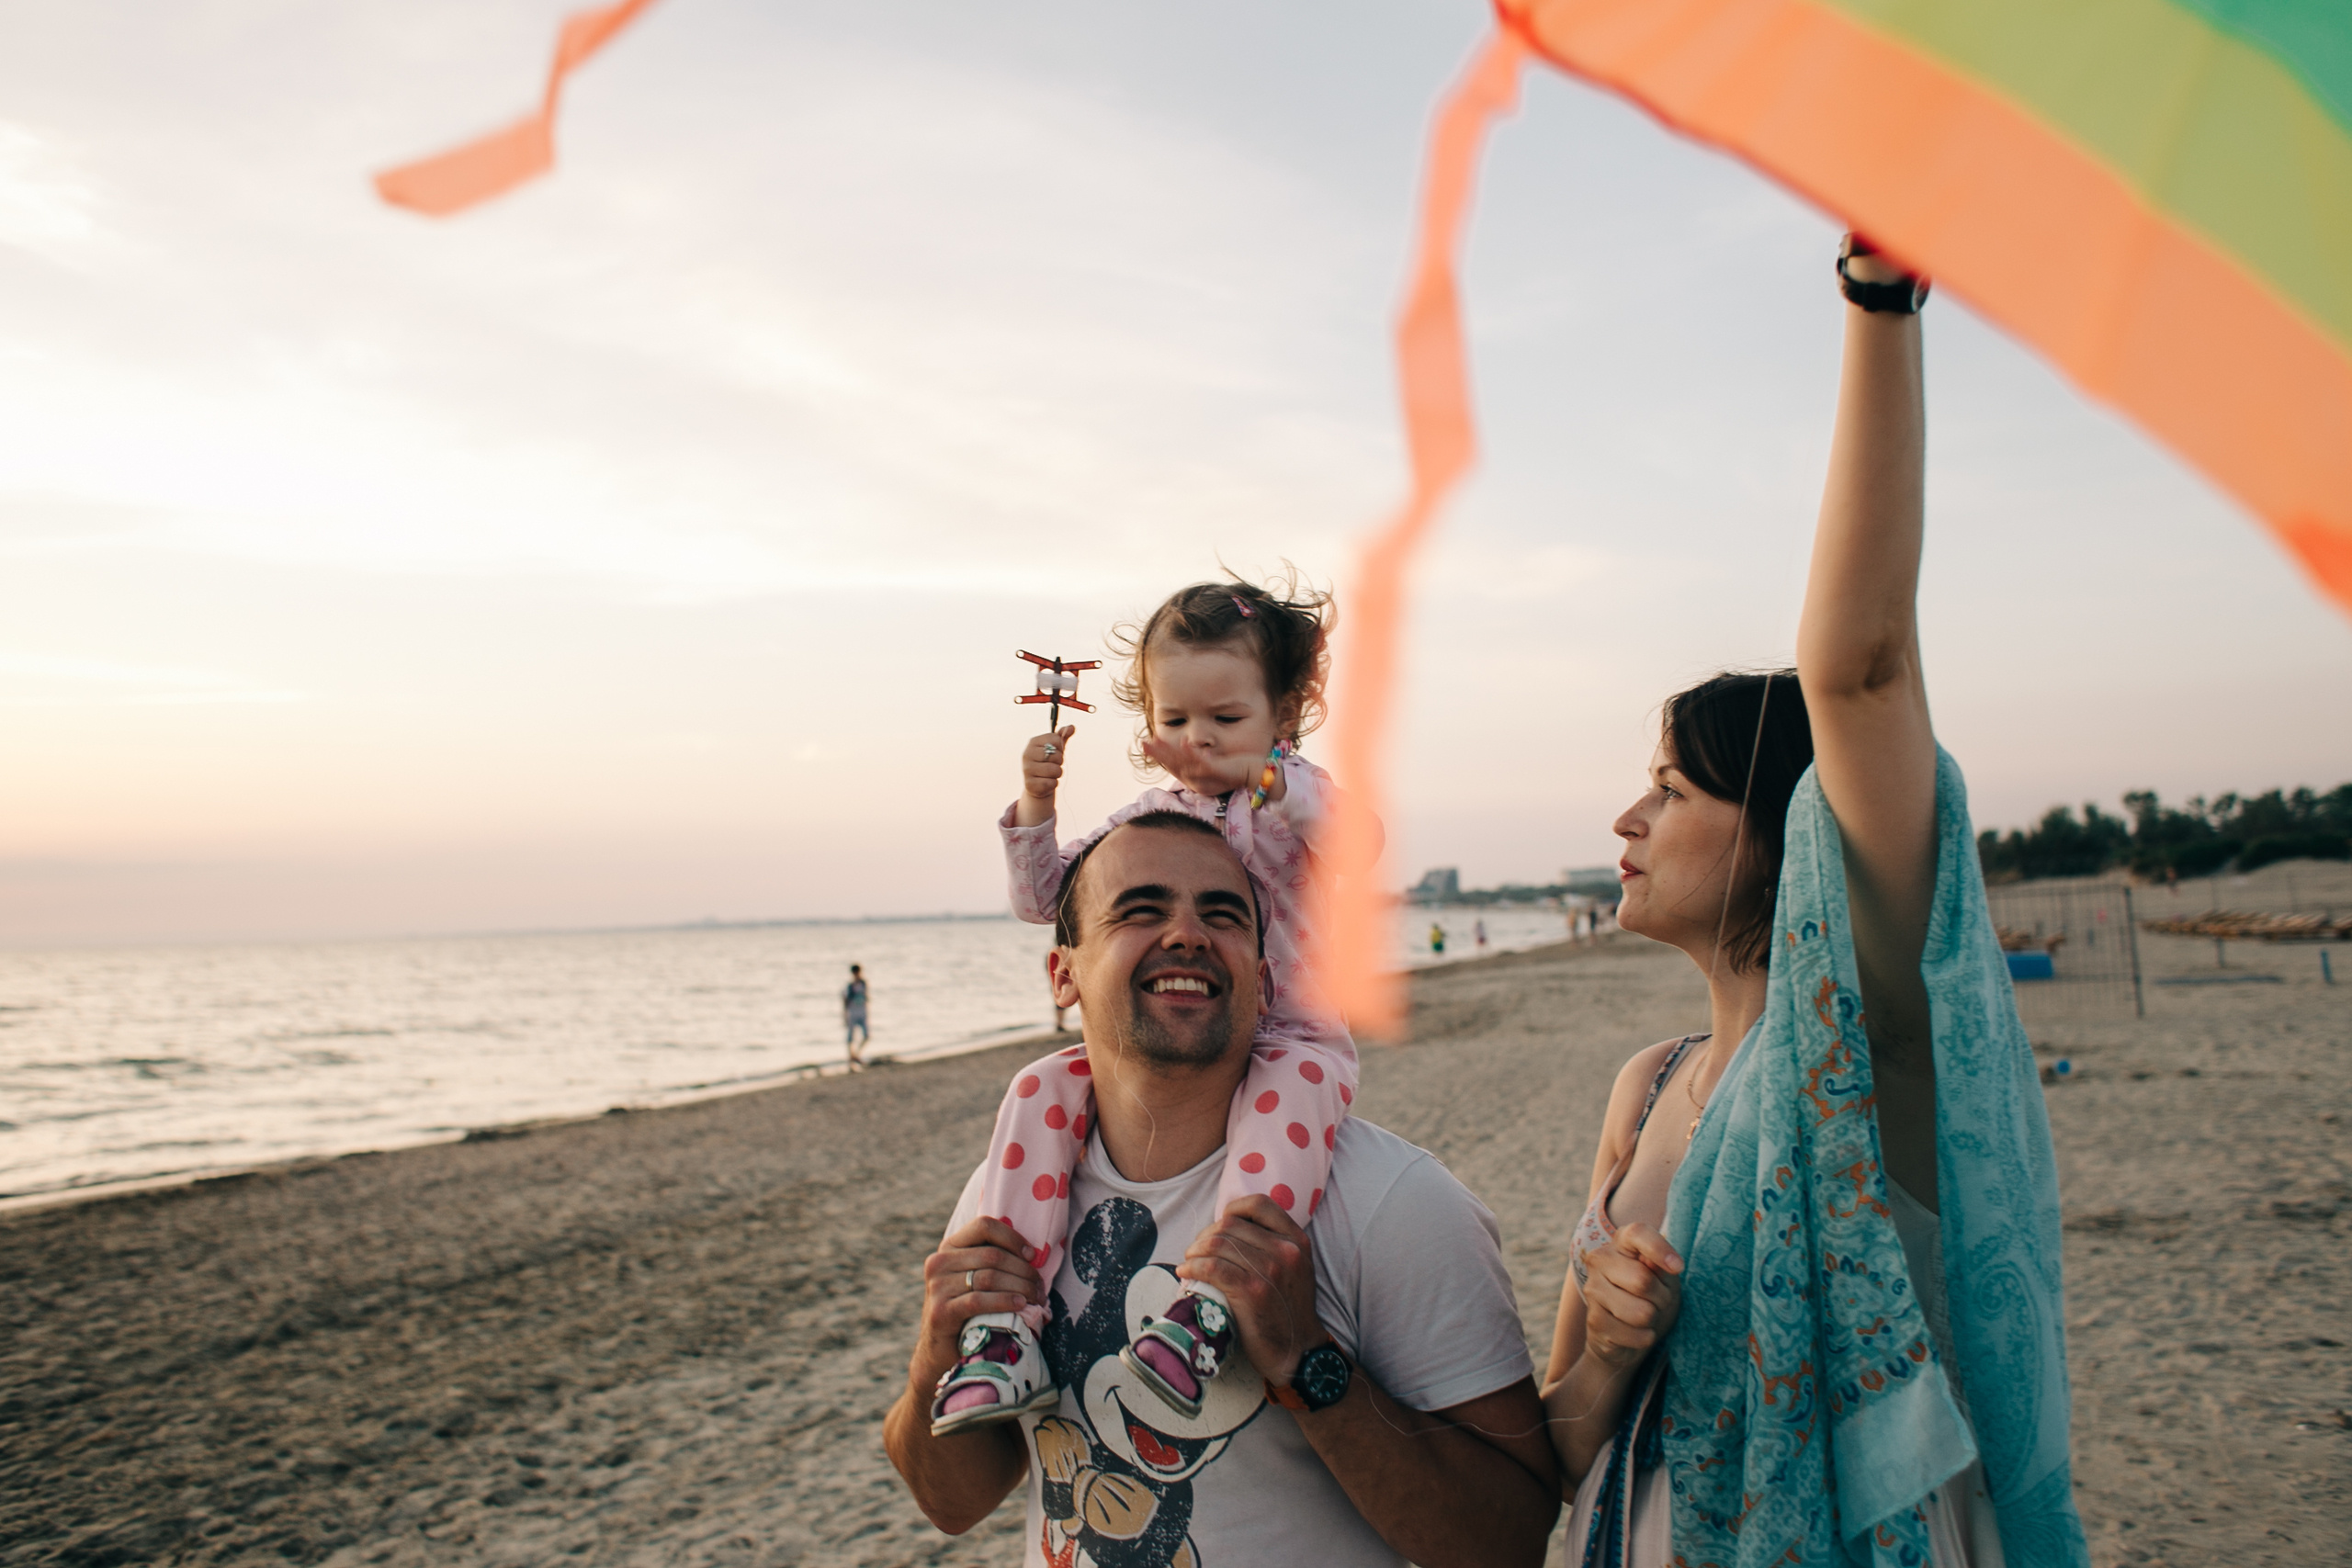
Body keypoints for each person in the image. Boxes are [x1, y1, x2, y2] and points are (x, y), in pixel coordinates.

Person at [1540, 235, 2085, 1566]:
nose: (1625, 821)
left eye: (1670, 788)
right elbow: (1556, 1442)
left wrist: (1878, 298)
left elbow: (1862, 669)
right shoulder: (1645, 1087)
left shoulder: (1868, 1055)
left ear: (1790, 829)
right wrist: (1607, 1350)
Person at [883, 813, 1558, 1567]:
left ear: (1264, 980)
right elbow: (953, 1504)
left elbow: (1511, 1538)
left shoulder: (1391, 1200)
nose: (1188, 934)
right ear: (1062, 974)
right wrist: (934, 1356)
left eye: (1224, 914)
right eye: (1141, 909)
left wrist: (1307, 1359)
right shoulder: (1005, 1196)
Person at [937, 573, 1375, 1430]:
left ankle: (1208, 1307)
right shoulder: (1152, 818)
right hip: (1178, 1041)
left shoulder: (1292, 798)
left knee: (1289, 1099)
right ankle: (1006, 1329)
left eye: (1226, 719)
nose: (1199, 740)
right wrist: (1038, 802)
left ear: (1284, 713)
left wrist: (1273, 778)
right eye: (1175, 720)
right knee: (1038, 1083)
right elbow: (1046, 898)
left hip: (1289, 1035)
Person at [842, 964, 869, 1066]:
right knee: (850, 1038)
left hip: (862, 1012)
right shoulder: (850, 986)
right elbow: (845, 1000)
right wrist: (845, 1015)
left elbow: (866, 997)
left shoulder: (863, 983)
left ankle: (856, 1055)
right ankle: (851, 1060)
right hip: (852, 1013)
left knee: (866, 1036)